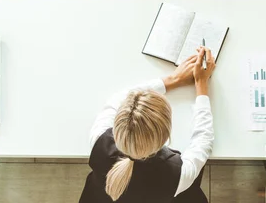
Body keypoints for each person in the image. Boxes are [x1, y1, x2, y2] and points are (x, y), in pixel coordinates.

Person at [79, 48, 215, 202]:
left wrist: (173, 79)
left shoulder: (98, 139)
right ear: (166, 135)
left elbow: (117, 99)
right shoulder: (178, 175)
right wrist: (201, 84)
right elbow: (203, 140)